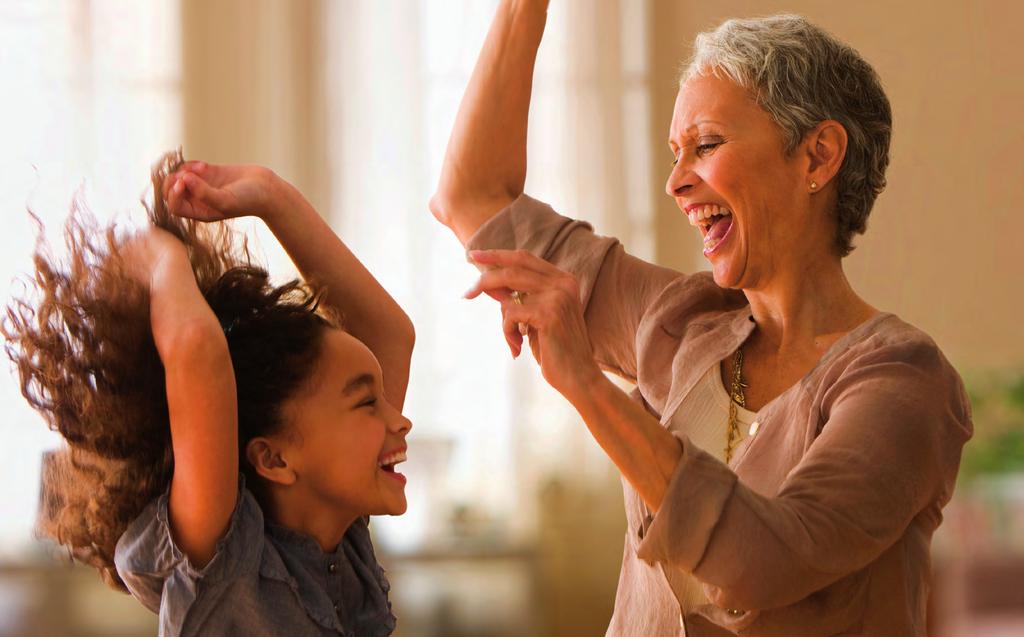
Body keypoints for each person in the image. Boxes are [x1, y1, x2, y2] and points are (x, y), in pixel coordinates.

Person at [429, 3, 972, 635]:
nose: (676, 183)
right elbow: (471, 195)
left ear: (818, 157)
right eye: (674, 153)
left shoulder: (902, 379)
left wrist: (587, 385)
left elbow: (763, 563)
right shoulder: (681, 324)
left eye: (706, 145)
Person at [4, 150, 414, 636]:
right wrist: (159, 254)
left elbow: (390, 336)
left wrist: (270, 194)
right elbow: (198, 354)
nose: (400, 421)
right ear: (274, 458)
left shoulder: (338, 541)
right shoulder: (225, 561)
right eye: (368, 402)